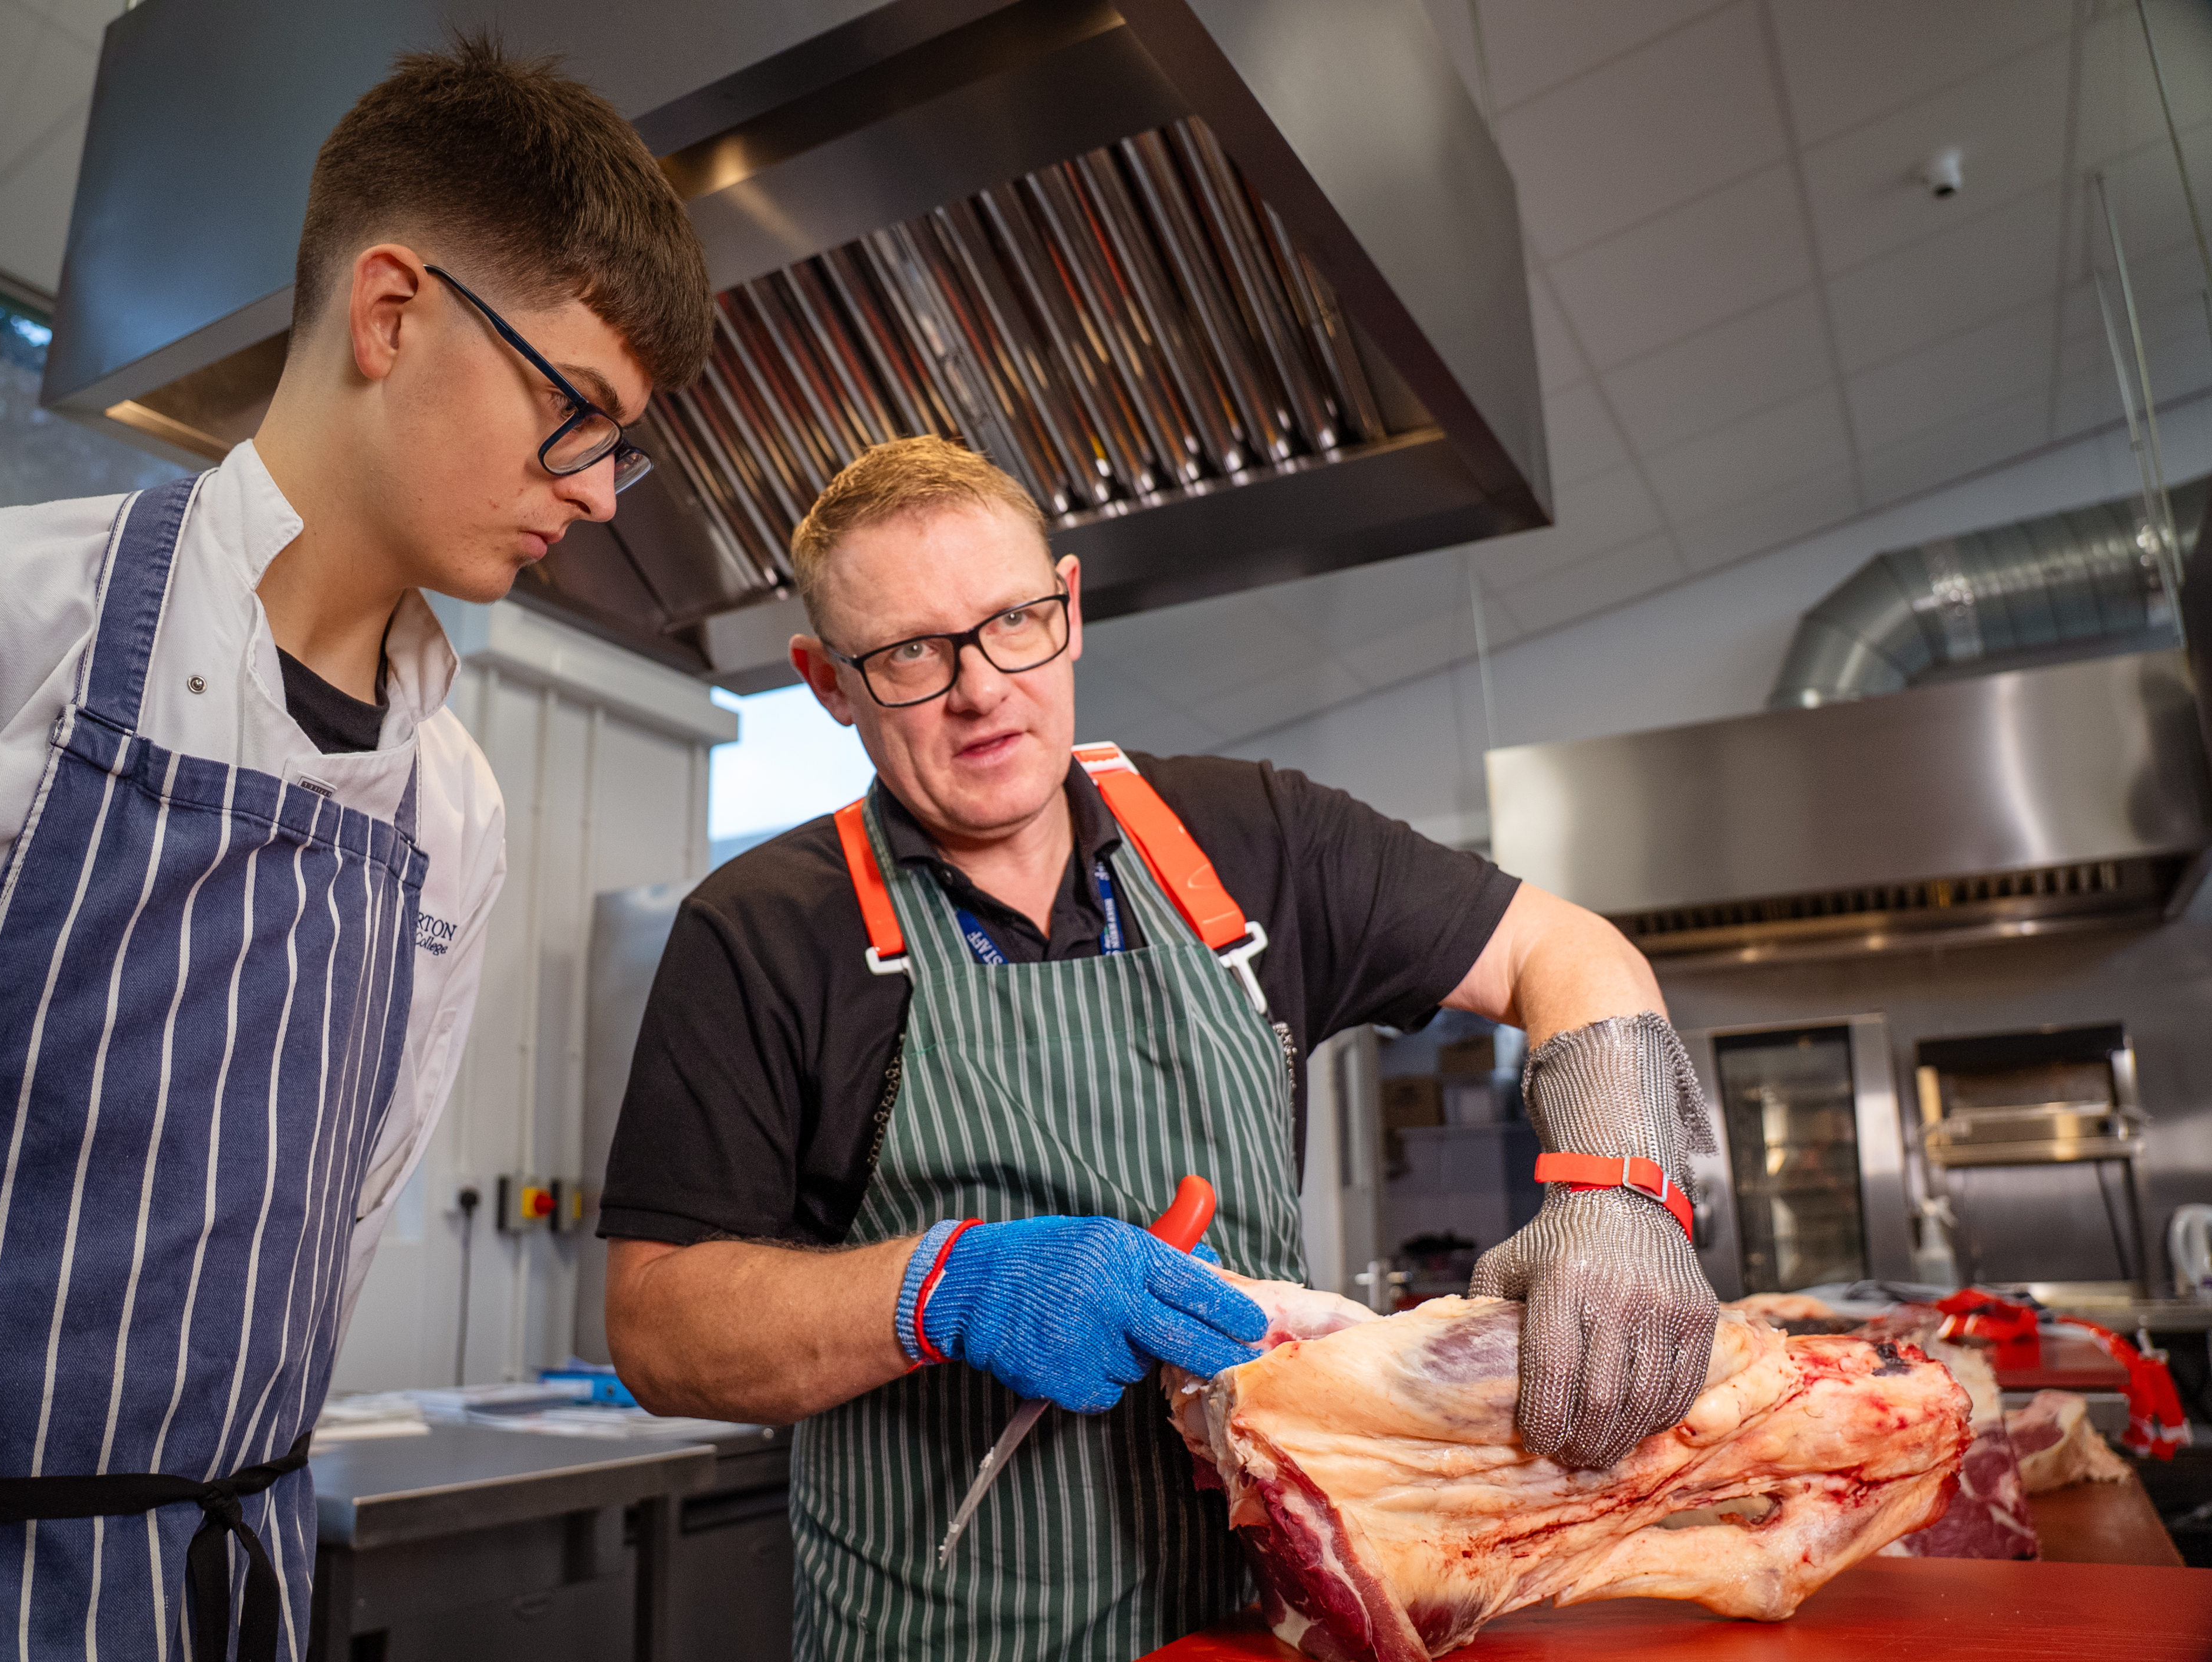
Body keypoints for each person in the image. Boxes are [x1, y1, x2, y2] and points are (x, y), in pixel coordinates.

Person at [0, 36, 709, 1659]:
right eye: (574, 415)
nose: (600, 498)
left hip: (220, 1607)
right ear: (392, 312)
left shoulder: (445, 815)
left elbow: (324, 1252)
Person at [600, 437, 1720, 1661]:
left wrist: (1617, 1190)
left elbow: (1563, 949)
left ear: (1069, 610)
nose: (980, 689)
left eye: (1012, 620)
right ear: (828, 682)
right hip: (941, 1634)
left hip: (1266, 1622)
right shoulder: (763, 928)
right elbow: (658, 1330)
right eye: (909, 654)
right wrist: (942, 1290)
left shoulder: (1253, 835)